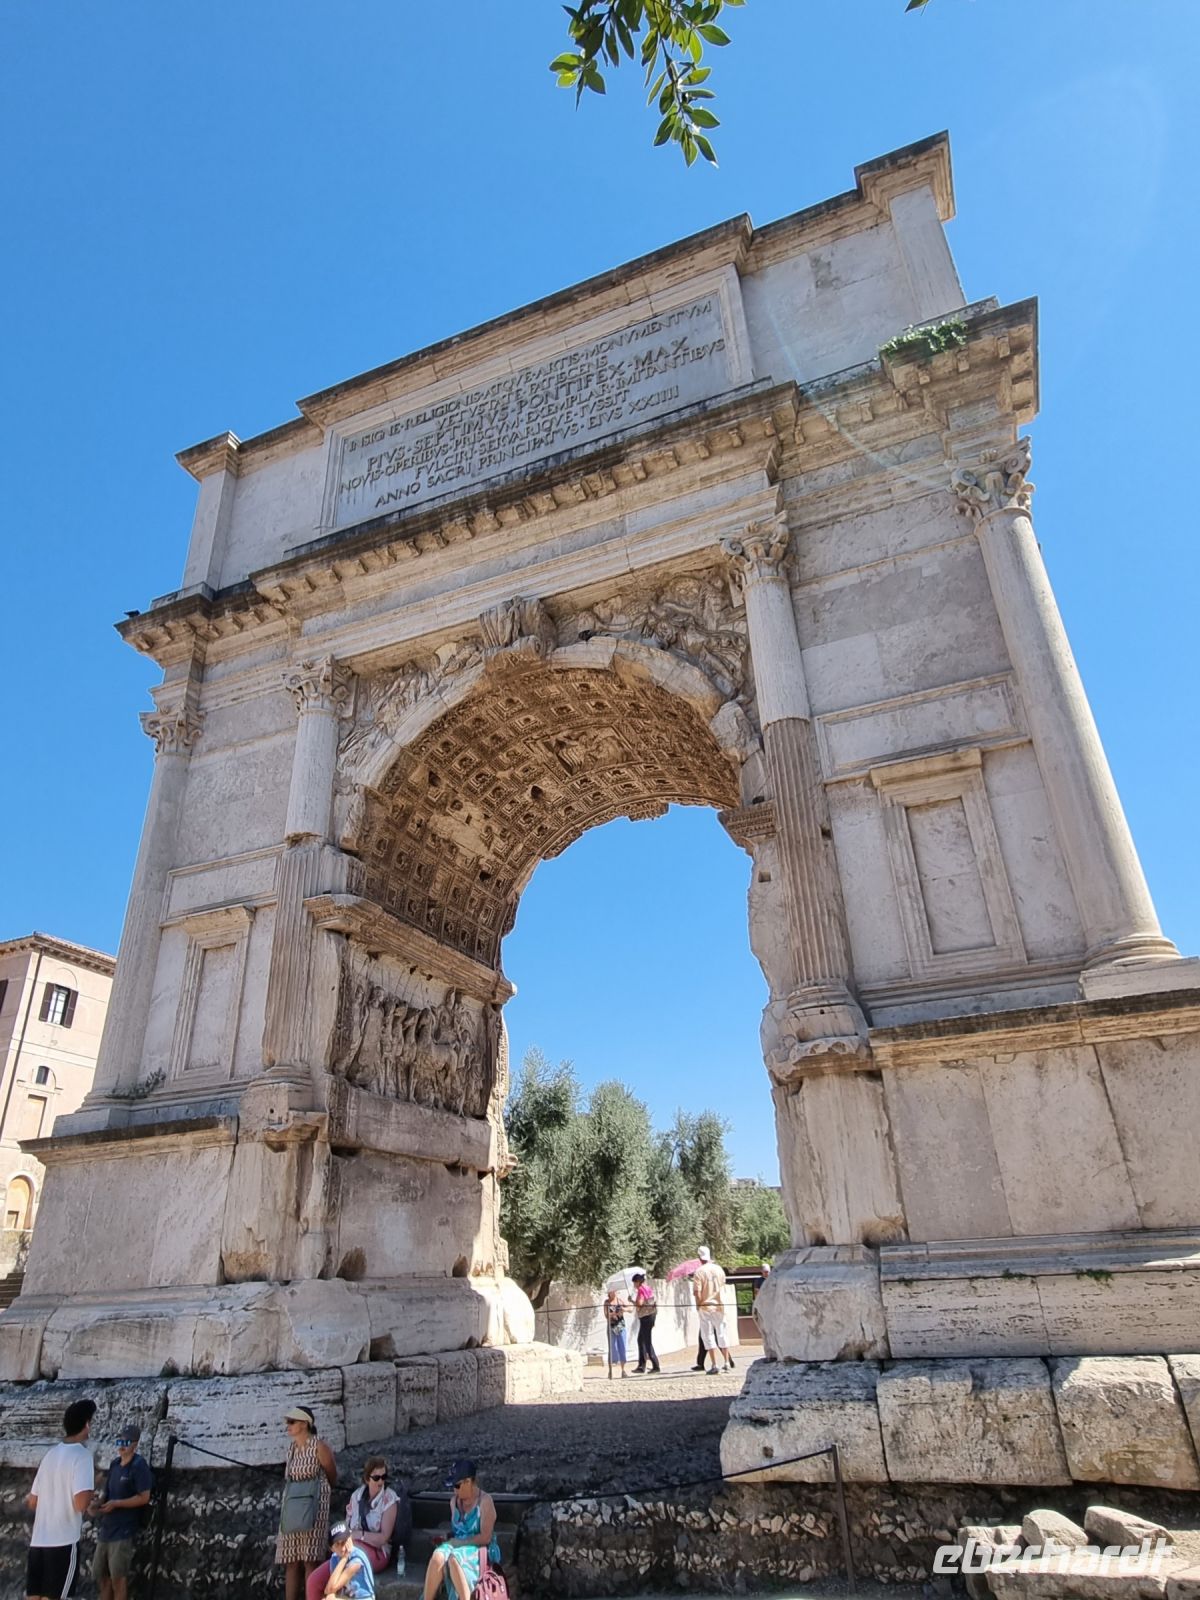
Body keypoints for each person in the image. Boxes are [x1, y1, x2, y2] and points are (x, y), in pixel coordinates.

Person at [26, 1396, 97, 1600]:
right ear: (86, 1424)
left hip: (39, 1541)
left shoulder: (50, 1455)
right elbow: (81, 1503)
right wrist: (93, 1488)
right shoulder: (82, 1456)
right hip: (63, 1541)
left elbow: (33, 1501)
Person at [306, 1458, 405, 1600]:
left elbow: (383, 1537)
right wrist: (344, 1543)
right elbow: (345, 1531)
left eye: (384, 1477)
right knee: (313, 1581)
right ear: (367, 1479)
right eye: (376, 1477)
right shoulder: (356, 1496)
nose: (380, 1481)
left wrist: (359, 1535)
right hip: (346, 1547)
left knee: (333, 1587)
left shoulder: (389, 1499)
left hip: (377, 1552)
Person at [276, 1404, 338, 1600]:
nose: (288, 1425)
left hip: (314, 1506)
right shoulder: (292, 1448)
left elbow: (332, 1475)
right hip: (293, 1507)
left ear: (304, 1424)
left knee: (310, 1559)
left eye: (292, 1422)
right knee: (291, 1561)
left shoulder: (319, 1446)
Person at [91, 1421, 153, 1600]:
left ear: (135, 1444)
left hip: (123, 1530)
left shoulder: (139, 1466)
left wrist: (118, 1504)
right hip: (107, 1529)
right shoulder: (115, 1465)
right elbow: (107, 1494)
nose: (121, 1447)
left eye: (125, 1443)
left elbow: (144, 1497)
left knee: (118, 1579)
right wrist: (98, 1504)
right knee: (102, 1577)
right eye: (119, 1443)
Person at [423, 1460, 500, 1600]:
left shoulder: (485, 1501)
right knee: (437, 1556)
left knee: (455, 1560)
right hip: (456, 1543)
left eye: (457, 1486)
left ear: (469, 1482)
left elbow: (485, 1537)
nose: (455, 1490)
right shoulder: (454, 1502)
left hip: (478, 1547)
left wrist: (459, 1543)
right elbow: (457, 1531)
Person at [693, 1245, 734, 1373]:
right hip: (719, 1305)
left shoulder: (699, 1272)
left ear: (700, 1257)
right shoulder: (719, 1269)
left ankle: (714, 1364)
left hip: (706, 1306)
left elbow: (697, 1292)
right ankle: (727, 1362)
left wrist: (698, 1305)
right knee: (722, 1333)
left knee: (708, 1335)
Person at [322, 1523, 376, 1599]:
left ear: (350, 1539)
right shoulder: (334, 1558)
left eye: (344, 1542)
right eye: (337, 1544)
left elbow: (330, 1589)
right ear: (332, 1548)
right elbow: (330, 1590)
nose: (343, 1548)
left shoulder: (357, 1558)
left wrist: (345, 1558)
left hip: (363, 1598)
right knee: (329, 1597)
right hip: (347, 1597)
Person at [629, 1272, 660, 1375]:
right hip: (651, 1315)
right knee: (641, 1340)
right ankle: (641, 1365)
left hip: (645, 1317)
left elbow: (639, 1304)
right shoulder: (648, 1288)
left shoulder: (641, 1290)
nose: (634, 1285)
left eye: (634, 1282)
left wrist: (632, 1301)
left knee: (646, 1341)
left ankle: (655, 1365)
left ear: (638, 1282)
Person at [603, 1287, 629, 1377]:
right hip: (611, 1327)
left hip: (621, 1327)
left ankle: (623, 1370)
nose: (613, 1293)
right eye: (611, 1291)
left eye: (614, 1291)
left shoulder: (620, 1301)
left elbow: (630, 1308)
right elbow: (606, 1315)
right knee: (612, 1348)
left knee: (622, 1347)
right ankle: (610, 1371)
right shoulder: (606, 1303)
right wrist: (615, 1313)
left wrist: (624, 1309)